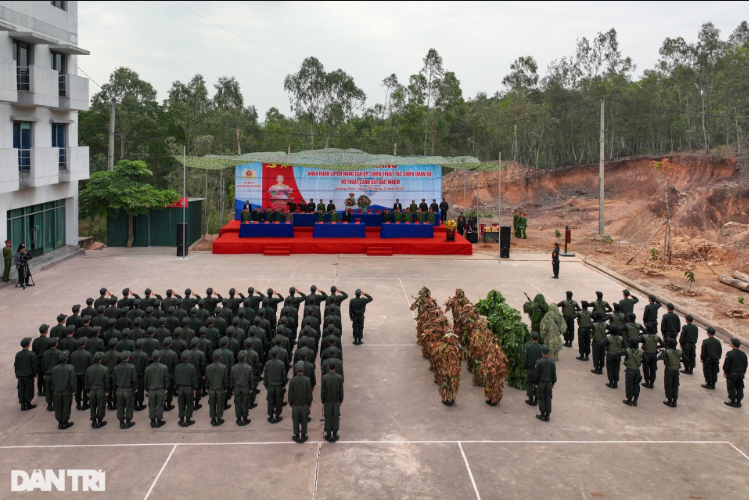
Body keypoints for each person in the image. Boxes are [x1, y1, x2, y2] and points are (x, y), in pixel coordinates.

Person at [288, 361, 313, 443]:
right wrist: (309, 403)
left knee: (295, 420)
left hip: (295, 405)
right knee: (304, 420)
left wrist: (291, 403)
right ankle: (303, 435)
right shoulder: (307, 380)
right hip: (304, 404)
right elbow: (309, 393)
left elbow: (290, 393)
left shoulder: (292, 380)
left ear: (295, 370)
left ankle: (296, 435)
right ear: (303, 369)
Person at [144, 350, 168, 428]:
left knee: (151, 406)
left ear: (152, 358)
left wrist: (146, 390)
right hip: (160, 389)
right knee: (160, 405)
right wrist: (166, 388)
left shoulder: (148, 368)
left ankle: (152, 421)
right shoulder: (164, 367)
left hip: (151, 390)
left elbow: (146, 380)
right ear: (159, 357)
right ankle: (159, 421)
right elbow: (165, 379)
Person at [113, 351, 137, 429]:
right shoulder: (131, 367)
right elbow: (134, 379)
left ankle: (121, 422)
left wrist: (115, 389)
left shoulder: (116, 368)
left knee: (120, 406)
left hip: (119, 389)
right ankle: (128, 421)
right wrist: (135, 387)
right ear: (128, 358)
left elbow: (114, 380)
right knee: (129, 406)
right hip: (128, 389)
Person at [51, 351, 75, 429]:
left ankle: (60, 422)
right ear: (67, 359)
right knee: (66, 406)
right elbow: (72, 381)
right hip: (66, 391)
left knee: (58, 406)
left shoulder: (55, 369)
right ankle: (65, 422)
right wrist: (73, 390)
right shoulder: (70, 368)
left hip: (57, 390)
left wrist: (53, 388)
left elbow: (53, 380)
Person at [85, 352, 109, 428]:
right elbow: (106, 381)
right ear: (101, 359)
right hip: (101, 390)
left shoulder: (89, 369)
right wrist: (107, 390)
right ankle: (100, 421)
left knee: (92, 406)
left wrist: (87, 391)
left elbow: (86, 381)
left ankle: (93, 421)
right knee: (101, 406)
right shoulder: (105, 369)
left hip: (92, 390)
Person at [264, 346, 287, 424]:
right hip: (279, 386)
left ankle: (271, 416)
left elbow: (265, 375)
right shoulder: (281, 364)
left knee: (270, 401)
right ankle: (277, 416)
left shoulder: (267, 364)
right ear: (278, 354)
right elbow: (284, 375)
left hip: (270, 386)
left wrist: (266, 385)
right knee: (278, 401)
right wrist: (284, 384)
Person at [321, 361, 344, 442]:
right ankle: (334, 434)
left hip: (327, 400)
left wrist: (323, 400)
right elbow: (341, 390)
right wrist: (341, 399)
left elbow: (323, 391)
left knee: (327, 417)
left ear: (328, 367)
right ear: (336, 366)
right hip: (336, 400)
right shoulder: (339, 377)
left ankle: (328, 434)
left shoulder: (324, 377)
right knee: (335, 417)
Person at [175, 351, 198, 427]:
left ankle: (181, 420)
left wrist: (176, 388)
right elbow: (194, 379)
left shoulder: (177, 367)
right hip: (189, 388)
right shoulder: (192, 367)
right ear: (188, 358)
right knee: (190, 404)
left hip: (180, 388)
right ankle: (188, 420)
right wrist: (195, 388)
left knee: (181, 404)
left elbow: (175, 378)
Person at [617, 339, 643, 406]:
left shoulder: (628, 351)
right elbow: (645, 360)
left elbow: (618, 353)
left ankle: (629, 400)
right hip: (637, 370)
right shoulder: (640, 352)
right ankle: (635, 400)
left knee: (629, 385)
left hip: (630, 370)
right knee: (636, 385)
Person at [533, 345, 556, 422]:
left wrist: (536, 383)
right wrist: (553, 383)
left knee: (542, 398)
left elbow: (536, 374)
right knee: (548, 399)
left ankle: (542, 414)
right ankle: (547, 415)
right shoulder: (552, 362)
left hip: (541, 383)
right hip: (549, 383)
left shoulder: (539, 362)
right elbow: (554, 374)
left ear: (541, 352)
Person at [206, 351, 229, 426]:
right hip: (220, 389)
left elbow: (207, 378)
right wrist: (226, 387)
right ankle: (219, 419)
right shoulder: (223, 367)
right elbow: (225, 379)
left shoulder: (208, 367)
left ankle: (213, 419)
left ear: (212, 357)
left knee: (212, 404)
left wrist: (206, 387)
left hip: (212, 389)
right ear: (220, 358)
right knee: (220, 404)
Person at [637, 323, 663, 389]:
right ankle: (652, 383)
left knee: (646, 369)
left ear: (646, 329)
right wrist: (656, 347)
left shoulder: (644, 336)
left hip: (646, 354)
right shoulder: (656, 337)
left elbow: (637, 341)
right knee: (653, 369)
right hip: (654, 355)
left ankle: (647, 382)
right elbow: (663, 344)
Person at [231, 350, 253, 426]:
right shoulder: (249, 368)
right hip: (245, 388)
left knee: (237, 404)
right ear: (245, 358)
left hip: (236, 389)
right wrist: (251, 388)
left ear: (237, 358)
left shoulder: (233, 368)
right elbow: (251, 379)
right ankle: (245, 418)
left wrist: (232, 389)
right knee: (245, 403)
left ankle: (238, 419)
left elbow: (231, 379)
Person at [15, 338, 37, 411]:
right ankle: (28, 403)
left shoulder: (18, 354)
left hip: (20, 375)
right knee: (28, 389)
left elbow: (16, 365)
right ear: (28, 344)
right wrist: (34, 374)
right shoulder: (31, 354)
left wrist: (17, 374)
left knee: (21, 389)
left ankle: (22, 404)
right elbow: (34, 366)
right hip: (28, 375)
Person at [658, 338, 682, 407]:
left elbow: (659, 357)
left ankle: (669, 400)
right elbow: (686, 359)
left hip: (669, 370)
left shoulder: (667, 352)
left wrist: (663, 354)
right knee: (675, 385)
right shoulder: (679, 351)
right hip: (676, 370)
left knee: (668, 384)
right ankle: (675, 401)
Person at [723, 338, 747, 408]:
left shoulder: (730, 354)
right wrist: (743, 372)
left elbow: (726, 364)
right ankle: (738, 402)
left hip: (732, 373)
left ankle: (733, 401)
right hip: (740, 373)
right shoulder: (743, 354)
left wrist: (725, 372)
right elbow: (745, 364)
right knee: (740, 387)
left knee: (731, 387)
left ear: (732, 345)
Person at [523, 332, 542, 406]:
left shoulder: (528, 347)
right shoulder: (541, 347)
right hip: (538, 370)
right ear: (538, 338)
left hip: (530, 369)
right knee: (536, 384)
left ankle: (530, 399)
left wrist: (525, 367)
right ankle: (536, 400)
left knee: (530, 384)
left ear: (531, 338)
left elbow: (526, 358)